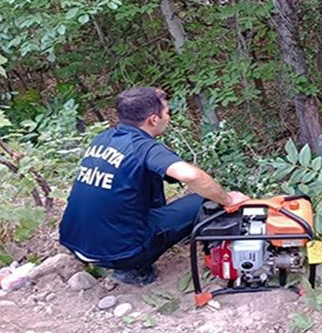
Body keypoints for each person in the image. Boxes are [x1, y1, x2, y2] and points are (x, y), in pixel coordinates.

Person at [59, 87, 247, 285]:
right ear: (153, 120)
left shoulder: (103, 139)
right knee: (205, 201)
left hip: (75, 243)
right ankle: (135, 270)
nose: (169, 117)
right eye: (167, 112)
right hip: (122, 254)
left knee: (145, 181)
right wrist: (227, 198)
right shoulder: (143, 148)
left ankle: (128, 252)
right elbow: (190, 175)